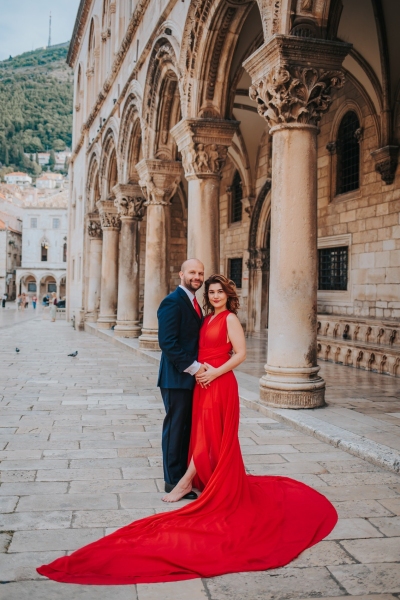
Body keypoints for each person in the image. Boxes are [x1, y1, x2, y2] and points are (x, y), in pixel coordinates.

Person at [37, 273, 337, 585]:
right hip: (203, 382)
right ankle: (189, 478)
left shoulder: (230, 318)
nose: (216, 295)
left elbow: (241, 355)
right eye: (212, 291)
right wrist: (200, 371)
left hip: (219, 384)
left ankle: (184, 482)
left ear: (228, 294)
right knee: (202, 434)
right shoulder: (207, 318)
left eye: (220, 291)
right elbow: (189, 347)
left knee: (210, 434)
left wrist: (214, 373)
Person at [157, 258, 205, 500]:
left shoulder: (194, 302)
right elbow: (167, 343)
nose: (197, 277)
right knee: (176, 428)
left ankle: (184, 476)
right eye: (192, 272)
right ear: (181, 274)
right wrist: (195, 368)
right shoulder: (173, 302)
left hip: (187, 379)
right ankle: (172, 481)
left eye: (200, 273)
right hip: (176, 378)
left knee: (186, 428)